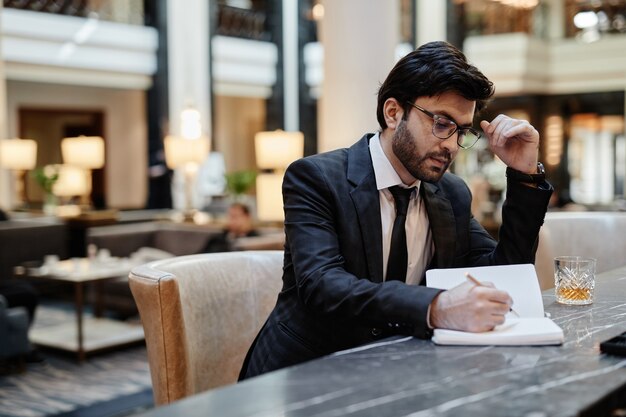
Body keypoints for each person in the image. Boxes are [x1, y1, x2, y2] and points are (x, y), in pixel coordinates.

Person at [239, 41, 552, 379]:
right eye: (442, 123)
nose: (450, 145)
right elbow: (323, 286)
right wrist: (435, 306)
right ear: (393, 112)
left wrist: (525, 177)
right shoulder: (316, 178)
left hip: (400, 374)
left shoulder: (451, 194)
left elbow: (505, 275)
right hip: (305, 373)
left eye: (461, 131)